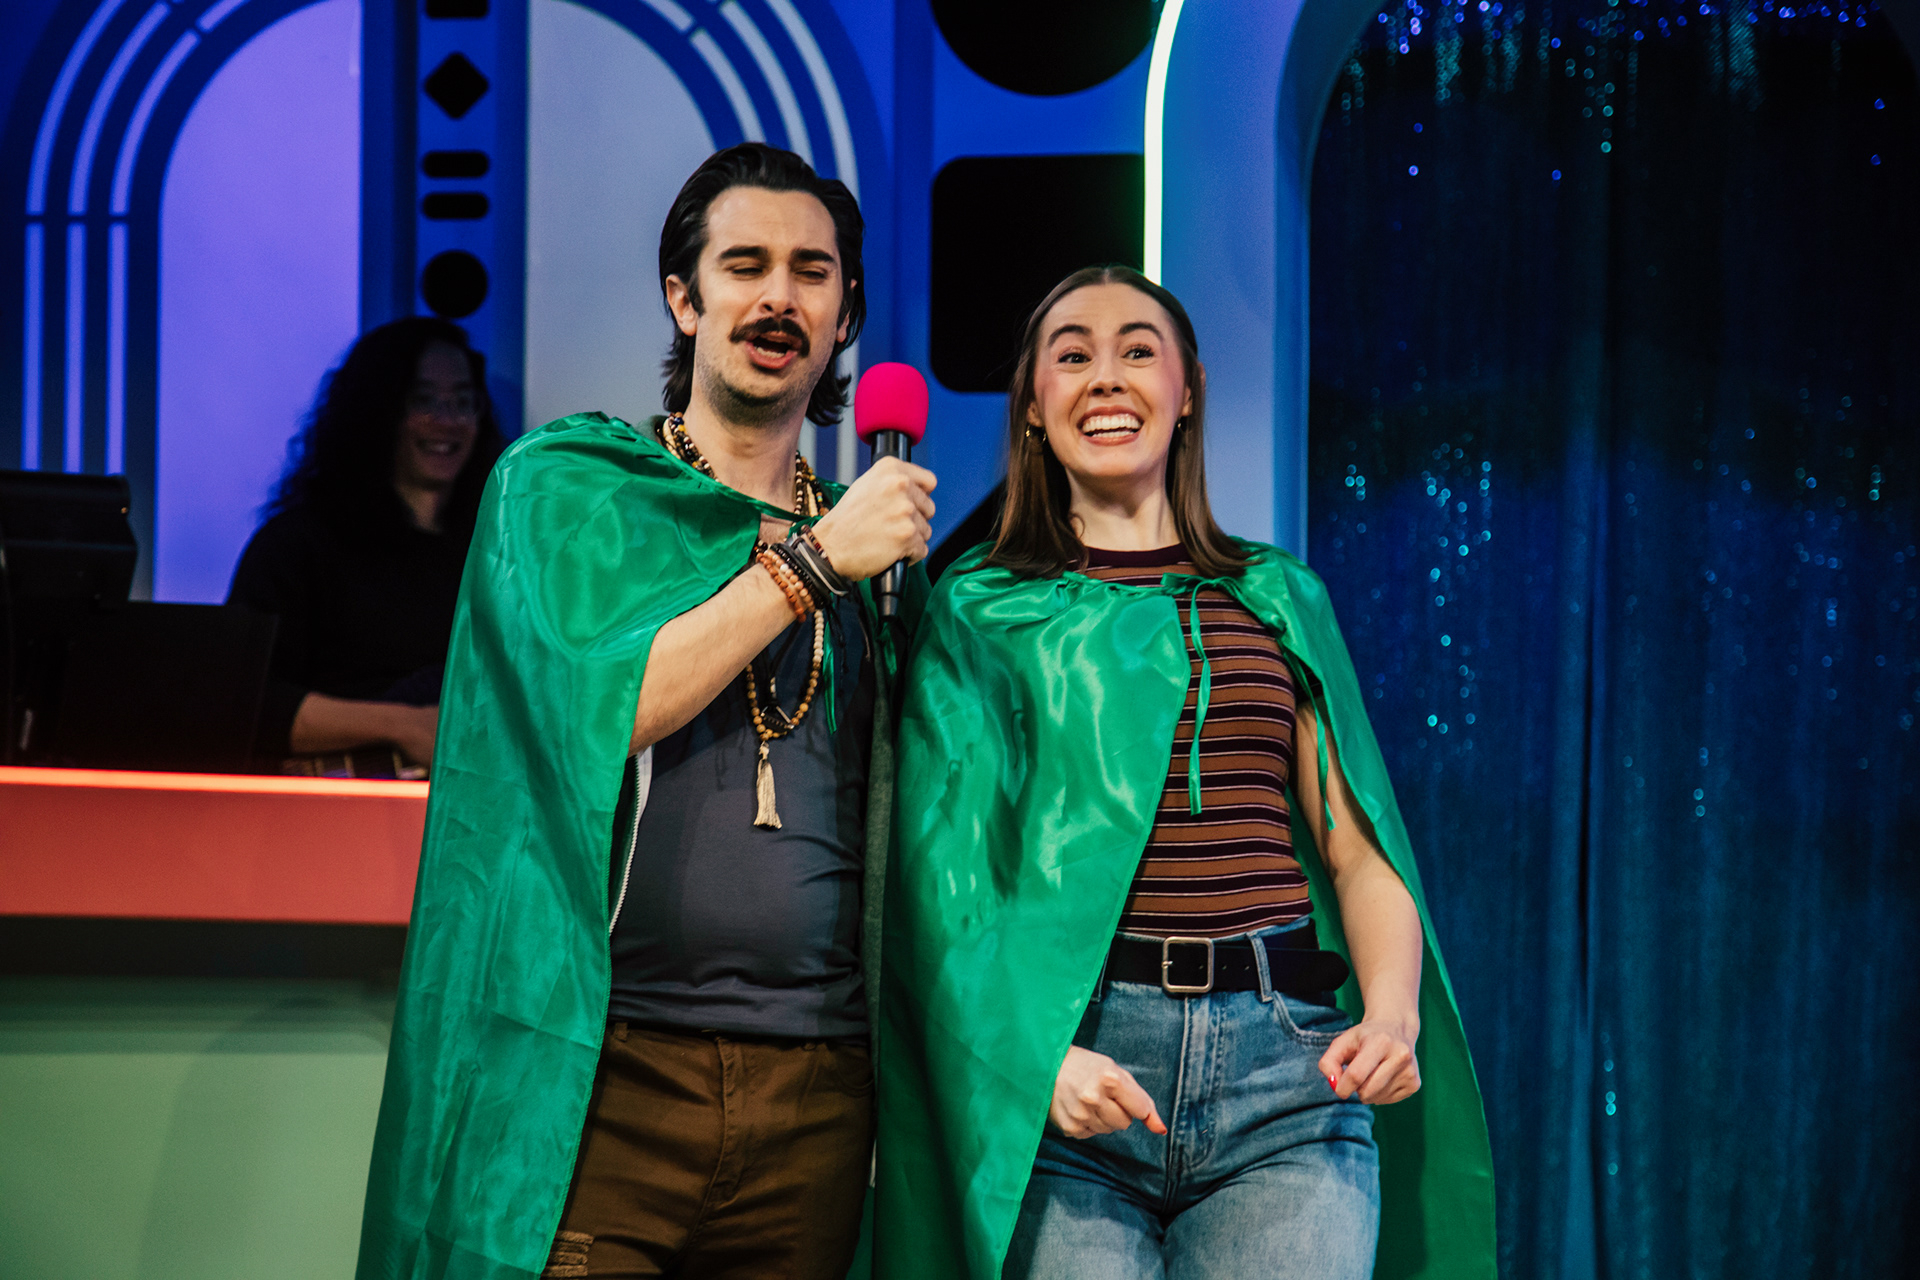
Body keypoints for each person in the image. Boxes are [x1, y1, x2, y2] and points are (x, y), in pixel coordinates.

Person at [354, 143, 937, 1280]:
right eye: (745, 265)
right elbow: (605, 708)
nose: (779, 297)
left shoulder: (877, 555)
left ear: (845, 314)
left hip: (818, 1094)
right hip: (607, 1074)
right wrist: (814, 562)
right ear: (685, 297)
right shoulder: (575, 490)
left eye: (812, 272)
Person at [875, 266, 1496, 1279]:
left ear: (1188, 390)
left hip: (1286, 1080)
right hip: (1080, 1077)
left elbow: (1358, 850)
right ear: (1032, 404)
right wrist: (1033, 1061)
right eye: (1072, 355)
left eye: (1137, 350)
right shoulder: (980, 607)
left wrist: (1392, 1013)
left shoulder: (1275, 595)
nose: (1105, 377)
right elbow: (941, 885)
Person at [227, 316, 504, 775]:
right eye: (423, 400)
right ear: (378, 410)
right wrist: (404, 725)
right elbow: (246, 701)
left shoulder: (497, 550)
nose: (447, 420)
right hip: (333, 804)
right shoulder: (298, 544)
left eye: (462, 401)